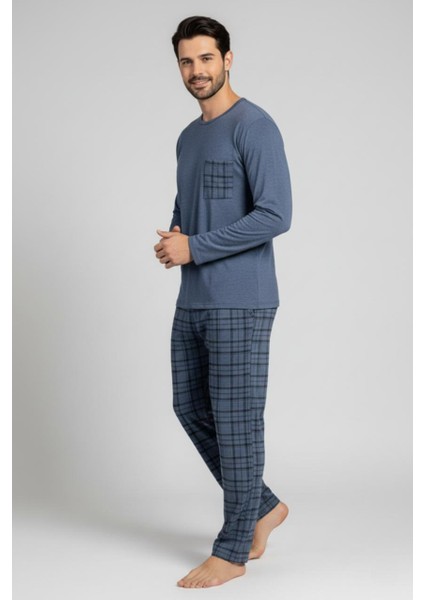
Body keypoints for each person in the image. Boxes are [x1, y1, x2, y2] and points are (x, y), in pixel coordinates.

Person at [153, 15, 292, 588]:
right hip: (195, 297)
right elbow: (190, 201)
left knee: (236, 424)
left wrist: (196, 247)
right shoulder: (189, 136)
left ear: (227, 59)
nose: (197, 70)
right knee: (189, 407)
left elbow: (275, 214)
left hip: (242, 299)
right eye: (187, 61)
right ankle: (262, 506)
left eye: (206, 58)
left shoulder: (254, 126)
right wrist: (175, 235)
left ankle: (233, 550)